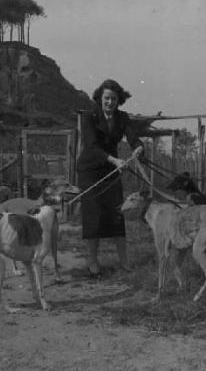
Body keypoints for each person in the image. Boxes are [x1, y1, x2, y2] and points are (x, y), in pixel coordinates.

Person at [76, 79, 144, 278]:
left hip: (111, 171)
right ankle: (93, 261)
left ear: (119, 100)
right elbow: (91, 146)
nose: (110, 102)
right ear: (100, 98)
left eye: (114, 99)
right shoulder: (89, 117)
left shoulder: (122, 118)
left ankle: (124, 261)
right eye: (107, 98)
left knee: (117, 214)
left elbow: (133, 138)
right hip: (90, 170)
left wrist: (139, 147)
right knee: (94, 216)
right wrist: (114, 160)